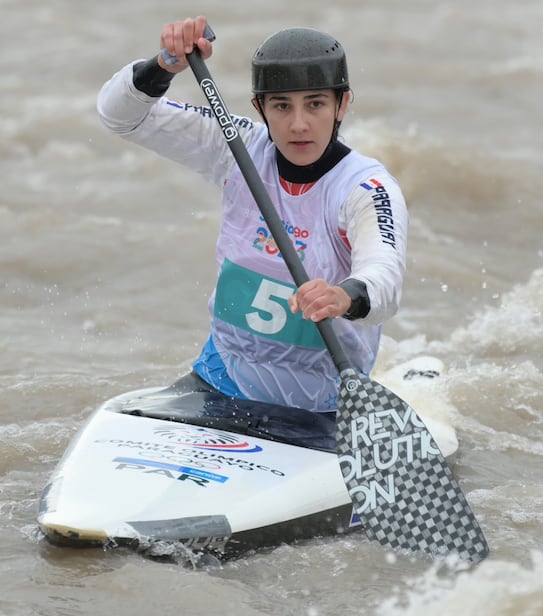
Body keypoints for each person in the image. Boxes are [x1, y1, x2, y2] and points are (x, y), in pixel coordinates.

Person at [97, 16, 408, 413]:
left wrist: (342, 295)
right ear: (260, 107)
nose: (298, 124)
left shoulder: (366, 189)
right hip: (217, 383)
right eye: (281, 106)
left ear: (342, 104)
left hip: (320, 406)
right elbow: (121, 116)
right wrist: (164, 65)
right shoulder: (237, 146)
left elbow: (384, 275)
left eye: (315, 104)